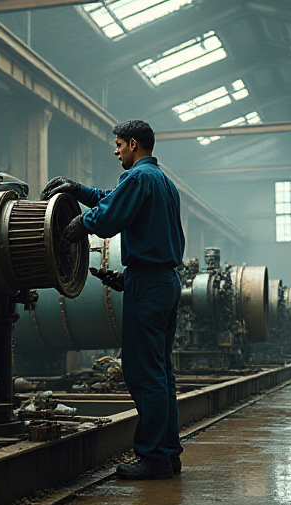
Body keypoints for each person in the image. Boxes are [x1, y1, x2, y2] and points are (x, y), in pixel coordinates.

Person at [42, 120, 185, 480]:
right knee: (162, 373)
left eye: (119, 144)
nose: (116, 150)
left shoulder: (138, 178)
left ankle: (153, 458)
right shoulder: (163, 182)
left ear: (133, 144)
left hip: (149, 285)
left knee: (143, 373)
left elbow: (109, 217)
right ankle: (168, 454)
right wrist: (78, 190)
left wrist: (80, 224)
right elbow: (114, 199)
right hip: (164, 281)